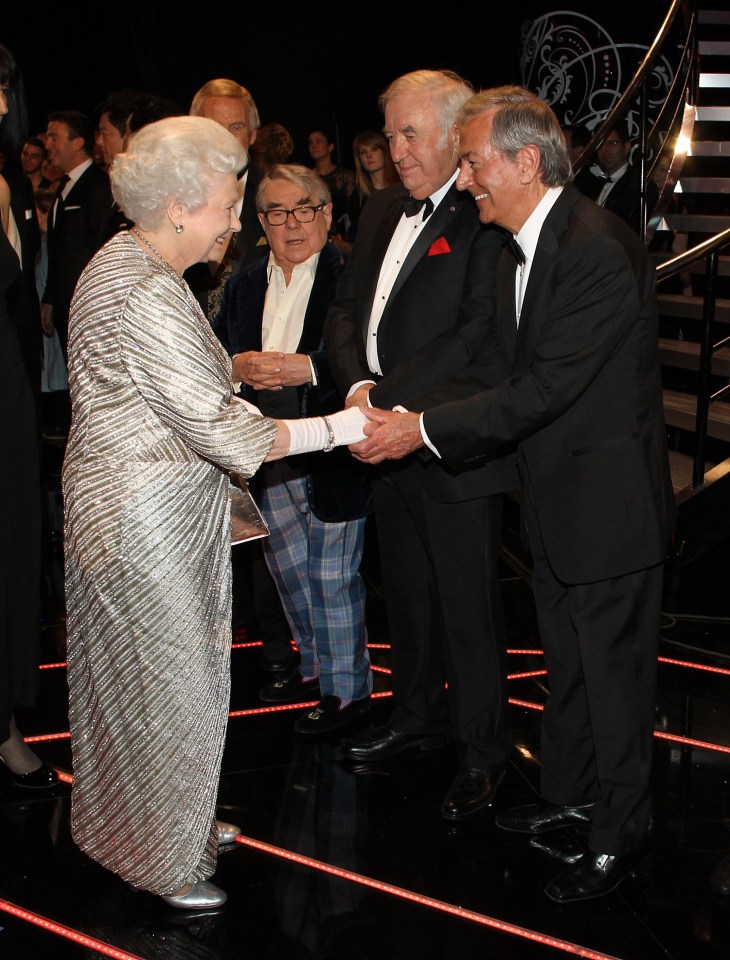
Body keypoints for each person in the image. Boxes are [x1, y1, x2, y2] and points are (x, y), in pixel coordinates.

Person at [354, 85, 676, 902]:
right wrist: (402, 401)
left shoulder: (598, 248)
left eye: (473, 162)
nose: (464, 182)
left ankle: (620, 833)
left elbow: (542, 390)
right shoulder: (514, 251)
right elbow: (493, 365)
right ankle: (570, 802)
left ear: (525, 161)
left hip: (607, 515)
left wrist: (419, 430)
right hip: (552, 506)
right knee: (567, 669)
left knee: (614, 680)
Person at [62, 115, 369, 910]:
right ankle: (165, 859)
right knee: (168, 687)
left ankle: (162, 825)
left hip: (125, 511)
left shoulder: (129, 264)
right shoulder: (145, 289)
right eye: (230, 206)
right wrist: (343, 427)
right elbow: (226, 428)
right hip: (145, 524)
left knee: (128, 685)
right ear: (177, 206)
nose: (241, 223)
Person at [324, 69, 515, 821]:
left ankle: (483, 754)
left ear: (452, 135)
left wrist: (395, 406)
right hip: (379, 436)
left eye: (411, 134)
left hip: (447, 445)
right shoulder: (375, 210)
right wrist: (357, 394)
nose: (395, 150)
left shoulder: (484, 218)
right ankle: (414, 720)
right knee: (404, 596)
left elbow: (477, 339)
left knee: (468, 612)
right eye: (392, 133)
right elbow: (343, 314)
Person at [213, 164, 373, 734]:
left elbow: (375, 358)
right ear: (260, 222)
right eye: (277, 212)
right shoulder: (244, 279)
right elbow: (216, 355)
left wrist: (306, 367)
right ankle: (316, 666)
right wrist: (236, 365)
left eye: (304, 208)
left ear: (327, 214)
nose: (292, 222)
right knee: (287, 572)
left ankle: (347, 695)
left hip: (333, 447)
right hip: (265, 452)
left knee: (332, 577)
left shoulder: (352, 273)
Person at [189, 78, 292, 675]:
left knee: (267, 527)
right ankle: (213, 649)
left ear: (252, 135)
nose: (222, 139)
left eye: (233, 127)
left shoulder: (278, 195)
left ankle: (276, 651)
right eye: (210, 124)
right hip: (189, 382)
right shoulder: (171, 202)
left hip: (260, 385)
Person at [0, 43, 59, 792]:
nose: (2, 104)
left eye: (4, 88)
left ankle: (3, 724)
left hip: (4, 386)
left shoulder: (8, 182)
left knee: (10, 546)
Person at [41, 109, 123, 361]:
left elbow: (98, 251)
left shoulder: (98, 187)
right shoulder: (65, 186)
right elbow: (57, 252)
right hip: (65, 306)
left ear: (77, 143)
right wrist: (50, 299)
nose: (48, 144)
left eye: (55, 137)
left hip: (88, 310)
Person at [575, 118, 658, 235]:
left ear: (627, 147)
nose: (604, 150)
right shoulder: (588, 180)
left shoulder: (641, 186)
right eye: (600, 144)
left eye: (612, 143)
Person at [345, 130, 399, 244]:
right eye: (363, 152)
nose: (369, 156)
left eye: (374, 149)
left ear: (385, 152)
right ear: (359, 159)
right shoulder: (356, 198)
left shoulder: (402, 189)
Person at [307, 128, 355, 243]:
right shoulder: (307, 178)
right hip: (314, 234)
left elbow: (351, 210)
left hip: (342, 236)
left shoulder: (345, 176)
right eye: (311, 143)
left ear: (330, 147)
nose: (314, 146)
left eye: (318, 142)